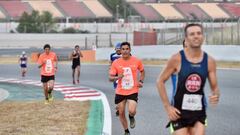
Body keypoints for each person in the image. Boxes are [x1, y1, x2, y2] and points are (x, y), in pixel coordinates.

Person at [156, 23, 220, 135]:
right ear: (186, 38)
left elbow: (215, 88)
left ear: (203, 37)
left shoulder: (210, 61)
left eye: (199, 33)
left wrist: (216, 95)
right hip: (178, 113)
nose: (196, 36)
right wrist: (168, 107)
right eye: (192, 34)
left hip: (199, 112)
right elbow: (160, 81)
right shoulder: (176, 59)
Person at [109, 42, 145, 135]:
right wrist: (118, 77)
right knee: (121, 113)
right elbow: (110, 78)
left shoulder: (136, 61)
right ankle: (126, 131)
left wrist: (141, 81)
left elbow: (142, 71)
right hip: (120, 91)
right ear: (120, 51)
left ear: (130, 50)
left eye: (127, 49)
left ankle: (131, 116)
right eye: (123, 49)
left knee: (132, 110)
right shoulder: (116, 63)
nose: (125, 51)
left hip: (133, 90)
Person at [110, 42, 122, 116]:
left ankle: (119, 106)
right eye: (117, 49)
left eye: (119, 49)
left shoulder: (125, 55)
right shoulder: (112, 55)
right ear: (115, 49)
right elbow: (111, 63)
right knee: (118, 90)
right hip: (116, 76)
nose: (118, 50)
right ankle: (118, 106)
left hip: (124, 76)